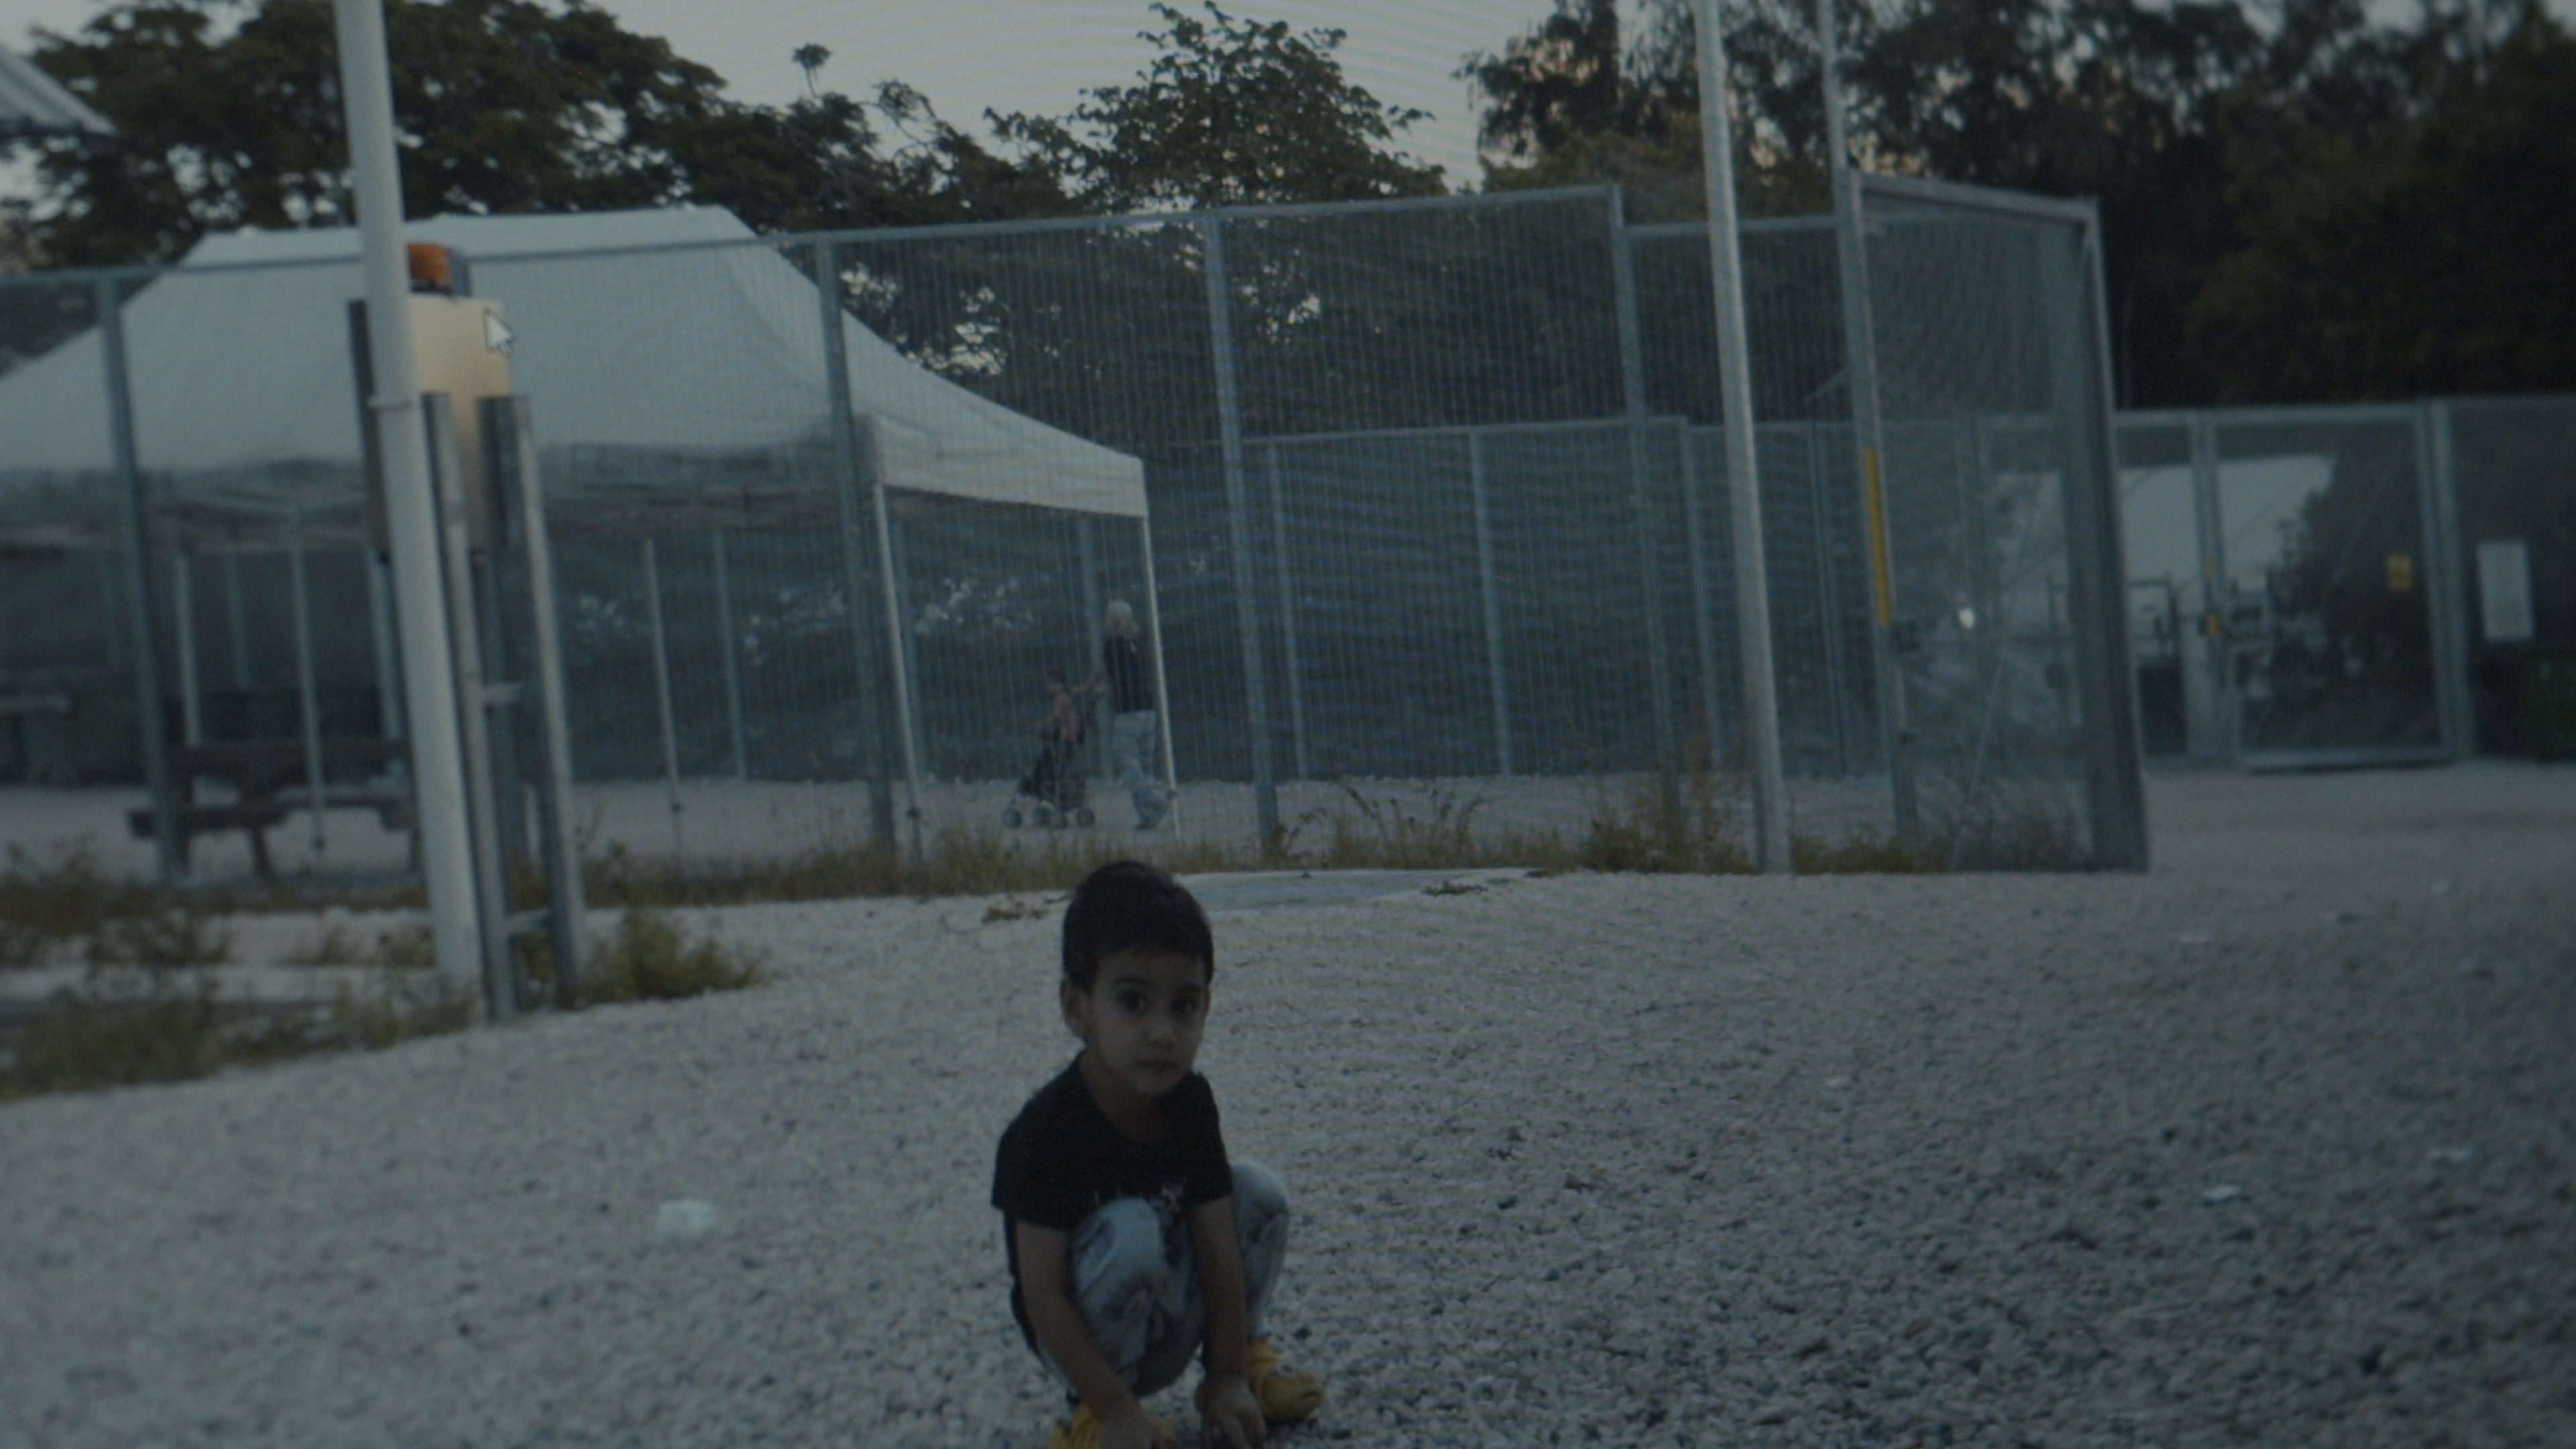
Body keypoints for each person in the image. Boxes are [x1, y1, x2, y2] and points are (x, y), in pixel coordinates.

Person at [991, 862, 1326, 1449]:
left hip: (1171, 1314)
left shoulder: (1189, 1102)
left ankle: (1246, 1363)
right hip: (1086, 1344)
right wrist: (1117, 1408)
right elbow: (1041, 1296)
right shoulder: (1041, 1134)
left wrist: (1222, 1377)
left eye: (1183, 1006)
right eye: (1133, 1001)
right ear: (1077, 1007)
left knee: (1260, 1193)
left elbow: (1219, 1241)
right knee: (1130, 1229)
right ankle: (1091, 1421)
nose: (1163, 1032)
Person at [1079, 600, 1169, 830]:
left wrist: (1084, 690)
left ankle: (1154, 801)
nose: (1104, 621)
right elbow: (1125, 679)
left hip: (1128, 713)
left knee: (1125, 758)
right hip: (1148, 711)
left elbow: (1099, 673)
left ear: (1115, 621)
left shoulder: (1113, 645)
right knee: (1142, 766)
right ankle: (1150, 818)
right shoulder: (1135, 643)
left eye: (1108, 617)